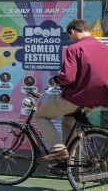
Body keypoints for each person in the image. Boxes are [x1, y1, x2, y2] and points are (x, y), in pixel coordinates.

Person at [35, 18, 108, 161]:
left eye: (69, 36)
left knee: (40, 116)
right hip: (98, 99)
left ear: (73, 31)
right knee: (68, 122)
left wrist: (57, 80)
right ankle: (69, 163)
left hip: (78, 97)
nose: (70, 39)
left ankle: (58, 149)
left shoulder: (74, 48)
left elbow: (68, 78)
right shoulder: (105, 48)